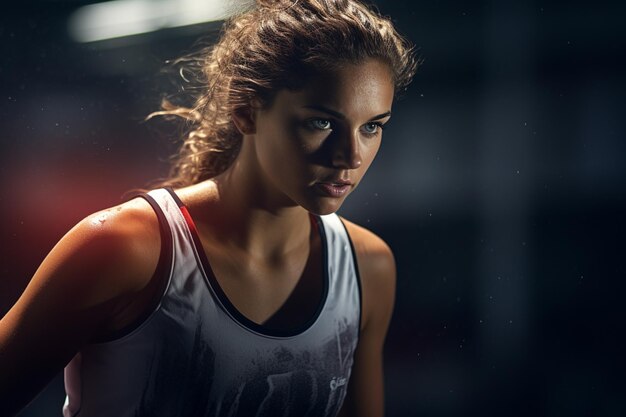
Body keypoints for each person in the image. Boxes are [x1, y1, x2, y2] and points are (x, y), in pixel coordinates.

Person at [0, 0, 417, 415]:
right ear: (245, 110)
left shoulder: (368, 268)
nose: (351, 156)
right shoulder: (122, 249)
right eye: (321, 122)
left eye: (372, 127)